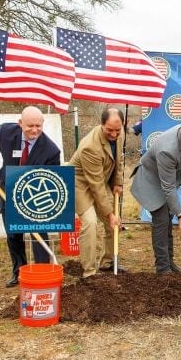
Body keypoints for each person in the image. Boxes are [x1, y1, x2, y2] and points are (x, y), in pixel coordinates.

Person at [0, 106, 61, 288]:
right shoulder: (5, 133)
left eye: (38, 126)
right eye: (30, 126)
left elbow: (52, 181)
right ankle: (19, 271)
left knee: (39, 232)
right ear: (20, 124)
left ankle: (43, 271)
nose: (34, 130)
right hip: (8, 190)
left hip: (34, 197)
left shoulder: (51, 151)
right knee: (13, 233)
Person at [131, 115, 181, 274]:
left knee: (168, 219)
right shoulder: (168, 149)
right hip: (150, 181)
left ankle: (169, 263)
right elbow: (168, 187)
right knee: (162, 221)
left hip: (165, 180)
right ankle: (163, 269)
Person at [69, 107, 125, 278]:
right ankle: (89, 271)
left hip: (100, 179)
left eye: (117, 130)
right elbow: (96, 185)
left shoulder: (120, 133)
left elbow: (119, 160)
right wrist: (109, 214)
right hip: (80, 183)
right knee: (90, 223)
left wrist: (117, 182)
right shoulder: (90, 147)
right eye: (110, 130)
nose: (114, 134)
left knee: (113, 224)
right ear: (101, 124)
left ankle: (107, 262)